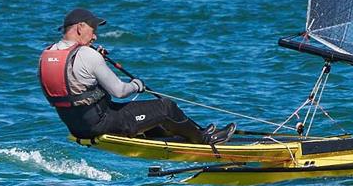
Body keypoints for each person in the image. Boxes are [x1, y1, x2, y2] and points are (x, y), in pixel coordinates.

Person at [38, 8, 235, 145]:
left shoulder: (46, 55)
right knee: (166, 107)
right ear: (80, 27)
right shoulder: (88, 55)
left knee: (148, 114)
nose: (95, 36)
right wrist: (136, 84)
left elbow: (73, 86)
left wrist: (97, 62)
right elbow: (119, 92)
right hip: (101, 124)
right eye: (93, 30)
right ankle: (204, 139)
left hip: (76, 127)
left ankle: (169, 136)